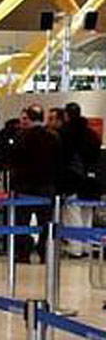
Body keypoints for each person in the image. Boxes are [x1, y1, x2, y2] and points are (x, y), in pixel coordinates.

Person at [11, 106, 61, 263]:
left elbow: (15, 160)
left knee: (22, 222)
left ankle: (23, 253)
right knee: (46, 222)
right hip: (46, 186)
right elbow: (60, 161)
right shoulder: (53, 137)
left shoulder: (22, 137)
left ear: (30, 118)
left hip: (24, 186)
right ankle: (45, 252)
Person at [59, 102, 102, 258]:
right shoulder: (91, 134)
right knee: (87, 213)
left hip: (73, 178)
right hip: (91, 180)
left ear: (66, 115)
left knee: (72, 212)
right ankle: (86, 246)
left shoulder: (66, 133)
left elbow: (64, 157)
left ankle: (75, 247)